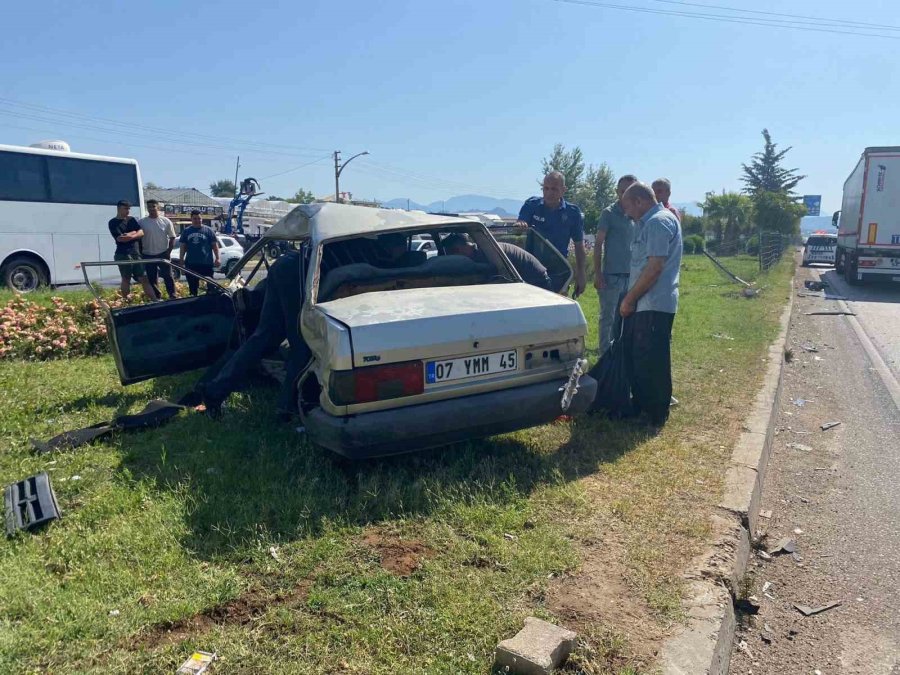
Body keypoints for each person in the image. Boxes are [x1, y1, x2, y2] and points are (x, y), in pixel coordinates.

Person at [197, 250, 310, 421]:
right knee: (302, 345)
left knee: (263, 337)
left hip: (289, 263)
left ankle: (214, 391)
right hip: (302, 269)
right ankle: (287, 408)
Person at [618, 182, 682, 428]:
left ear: (639, 201)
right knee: (641, 358)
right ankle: (642, 407)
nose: (626, 213)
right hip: (646, 303)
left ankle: (654, 415)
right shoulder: (651, 222)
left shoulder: (657, 223)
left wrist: (630, 298)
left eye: (628, 206)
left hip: (653, 304)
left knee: (653, 360)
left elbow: (654, 267)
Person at [516, 171, 587, 296]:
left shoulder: (573, 212)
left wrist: (581, 274)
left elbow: (579, 246)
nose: (549, 193)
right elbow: (517, 231)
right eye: (546, 188)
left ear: (563, 190)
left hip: (558, 271)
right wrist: (520, 226)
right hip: (531, 268)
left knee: (557, 310)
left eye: (554, 189)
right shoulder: (531, 205)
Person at [594, 174, 638, 353]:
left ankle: (620, 351)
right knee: (608, 318)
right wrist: (598, 274)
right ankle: (605, 353)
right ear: (617, 192)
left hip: (632, 276)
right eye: (622, 191)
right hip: (611, 276)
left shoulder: (638, 215)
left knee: (626, 317)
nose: (625, 195)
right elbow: (598, 244)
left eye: (630, 191)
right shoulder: (609, 213)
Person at [442, 233, 551, 290]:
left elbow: (500, 278)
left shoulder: (487, 252)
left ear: (458, 249)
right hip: (525, 280)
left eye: (452, 254)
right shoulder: (479, 252)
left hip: (536, 281)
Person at [108, 200, 157, 300]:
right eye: (125, 208)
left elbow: (141, 232)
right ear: (119, 208)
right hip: (122, 254)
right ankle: (126, 301)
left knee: (144, 278)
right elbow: (121, 238)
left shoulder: (132, 220)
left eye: (129, 208)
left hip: (136, 253)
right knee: (126, 278)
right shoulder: (113, 222)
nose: (128, 211)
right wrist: (134, 233)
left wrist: (130, 234)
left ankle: (154, 300)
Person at [139, 199, 177, 300]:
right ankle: (157, 297)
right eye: (149, 207)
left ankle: (172, 295)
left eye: (153, 206)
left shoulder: (166, 221)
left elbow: (172, 237)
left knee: (168, 276)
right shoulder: (142, 222)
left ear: (158, 208)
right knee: (152, 278)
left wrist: (168, 252)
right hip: (147, 254)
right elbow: (137, 238)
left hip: (163, 253)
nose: (151, 209)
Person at [179, 210, 219, 296]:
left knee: (211, 287)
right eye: (195, 218)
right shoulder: (186, 231)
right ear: (191, 219)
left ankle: (210, 304)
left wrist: (218, 258)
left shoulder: (208, 231)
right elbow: (182, 248)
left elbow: (215, 246)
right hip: (191, 264)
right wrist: (181, 262)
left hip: (206, 263)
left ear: (202, 219)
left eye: (199, 218)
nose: (197, 220)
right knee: (193, 288)